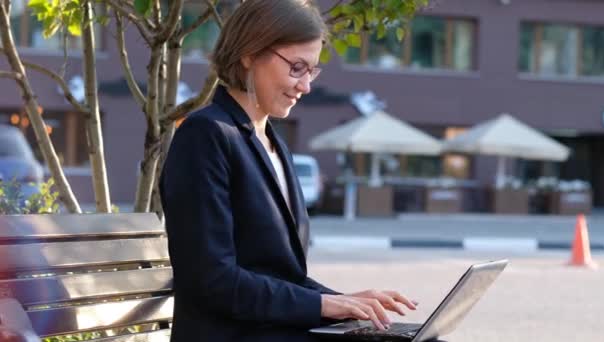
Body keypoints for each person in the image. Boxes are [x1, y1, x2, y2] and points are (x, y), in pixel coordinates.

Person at [159, 1, 418, 341]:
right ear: (249, 53)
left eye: (312, 71)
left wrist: (346, 301)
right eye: (297, 68)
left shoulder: (273, 143)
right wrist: (325, 305)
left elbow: (284, 276)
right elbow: (212, 280)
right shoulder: (206, 135)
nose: (305, 86)